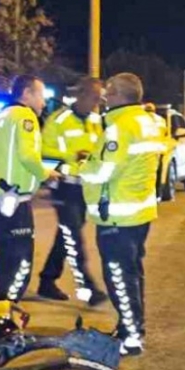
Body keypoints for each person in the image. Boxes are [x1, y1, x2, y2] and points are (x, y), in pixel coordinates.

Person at [79, 73, 167, 356]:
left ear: (117, 95)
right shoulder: (150, 122)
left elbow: (104, 170)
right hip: (138, 212)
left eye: (108, 93)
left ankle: (131, 337)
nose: (104, 98)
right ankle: (130, 326)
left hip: (115, 214)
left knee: (119, 276)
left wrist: (83, 166)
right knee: (132, 273)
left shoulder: (119, 128)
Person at [0, 74, 61, 302]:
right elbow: (28, 156)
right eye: (41, 95)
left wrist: (3, 165)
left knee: (6, 262)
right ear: (27, 94)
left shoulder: (1, 118)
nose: (43, 102)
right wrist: (47, 174)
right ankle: (5, 317)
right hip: (15, 203)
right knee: (19, 264)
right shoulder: (25, 118)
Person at [36, 76, 108, 306]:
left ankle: (47, 280)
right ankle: (88, 287)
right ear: (82, 95)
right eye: (95, 98)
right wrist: (74, 164)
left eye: (100, 99)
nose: (98, 103)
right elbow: (47, 159)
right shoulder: (59, 121)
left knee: (66, 236)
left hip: (87, 189)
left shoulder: (98, 121)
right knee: (74, 237)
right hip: (65, 188)